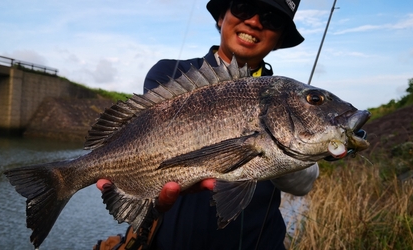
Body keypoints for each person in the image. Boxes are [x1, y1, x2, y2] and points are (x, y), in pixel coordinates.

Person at [94, 0, 320, 249]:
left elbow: (304, 184)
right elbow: (146, 145)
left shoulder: (289, 97)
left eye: (272, 19)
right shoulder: (171, 74)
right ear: (221, 17)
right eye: (243, 7)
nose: (254, 22)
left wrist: (294, 142)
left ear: (278, 39)